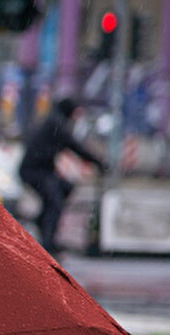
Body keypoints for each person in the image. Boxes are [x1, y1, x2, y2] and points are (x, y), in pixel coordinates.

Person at [18, 97, 107, 254]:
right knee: (55, 203)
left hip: (40, 170)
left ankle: (42, 221)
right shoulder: (56, 125)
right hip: (35, 171)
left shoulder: (54, 122)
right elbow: (75, 147)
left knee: (64, 189)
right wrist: (98, 163)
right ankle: (47, 242)